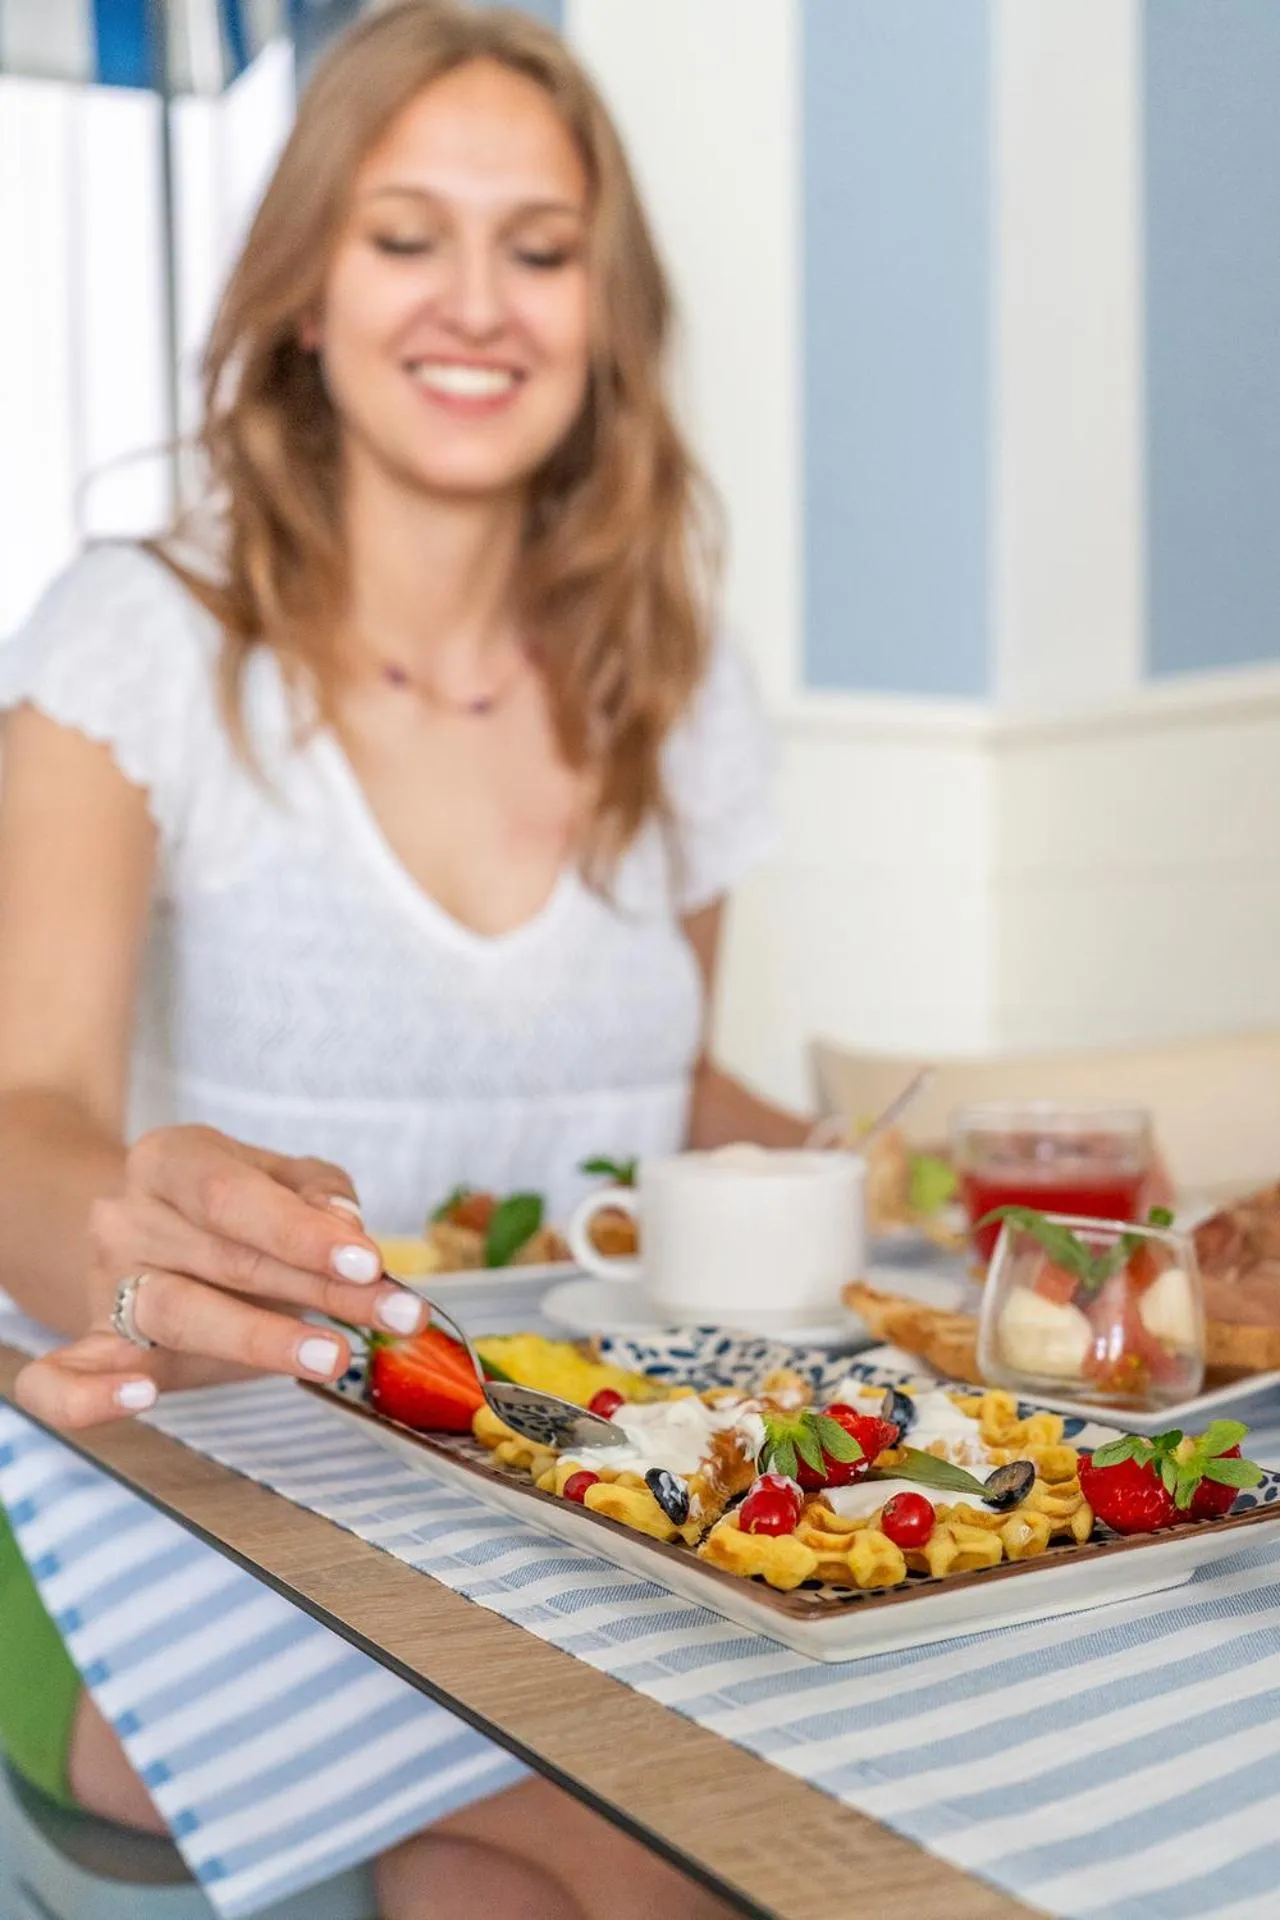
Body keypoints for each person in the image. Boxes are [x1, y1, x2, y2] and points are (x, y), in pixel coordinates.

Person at [0, 4, 808, 1913]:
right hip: (156, 1490)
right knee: (701, 1835)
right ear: (306, 288)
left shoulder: (674, 684)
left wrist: (913, 1187)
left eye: (540, 249)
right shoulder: (139, 639)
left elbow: (660, 1089)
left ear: (603, 312)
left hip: (549, 1496)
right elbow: (27, 1104)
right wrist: (141, 1238)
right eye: (404, 235)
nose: (478, 303)